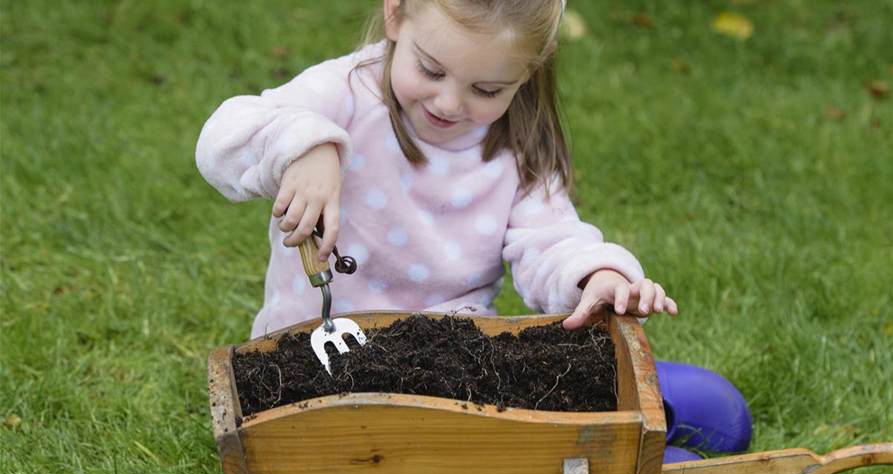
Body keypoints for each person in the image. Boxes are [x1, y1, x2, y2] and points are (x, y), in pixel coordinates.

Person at [196, 0, 677, 340]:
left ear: (535, 65)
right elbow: (223, 139)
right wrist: (305, 146)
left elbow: (552, 240)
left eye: (486, 90)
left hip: (446, 356)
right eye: (430, 69)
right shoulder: (346, 94)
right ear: (395, 13)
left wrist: (598, 276)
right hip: (312, 343)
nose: (448, 103)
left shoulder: (517, 146)